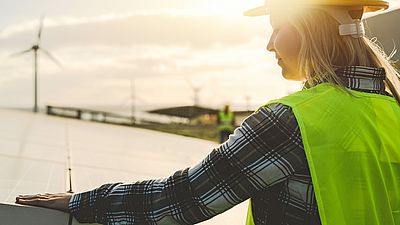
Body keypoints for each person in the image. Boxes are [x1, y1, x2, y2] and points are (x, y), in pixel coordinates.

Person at [16, 0, 400, 224]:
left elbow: (178, 200)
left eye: (278, 28)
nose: (269, 45)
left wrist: (80, 201)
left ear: (309, 28)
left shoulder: (291, 121)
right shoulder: (391, 110)